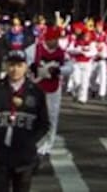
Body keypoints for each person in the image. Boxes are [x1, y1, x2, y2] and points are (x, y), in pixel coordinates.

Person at [0, 49, 50, 192]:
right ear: (5, 66)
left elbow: (44, 123)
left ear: (26, 67)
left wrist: (31, 142)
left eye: (19, 65)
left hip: (24, 155)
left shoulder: (35, 92)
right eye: (11, 65)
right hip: (0, 153)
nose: (15, 69)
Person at [29, 24, 72, 156]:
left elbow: (70, 67)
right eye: (54, 39)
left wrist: (59, 70)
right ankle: (33, 141)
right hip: (36, 87)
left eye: (57, 39)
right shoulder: (35, 49)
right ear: (47, 39)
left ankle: (48, 143)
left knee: (52, 115)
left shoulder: (62, 52)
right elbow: (25, 62)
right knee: (34, 114)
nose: (56, 42)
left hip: (53, 88)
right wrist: (33, 68)